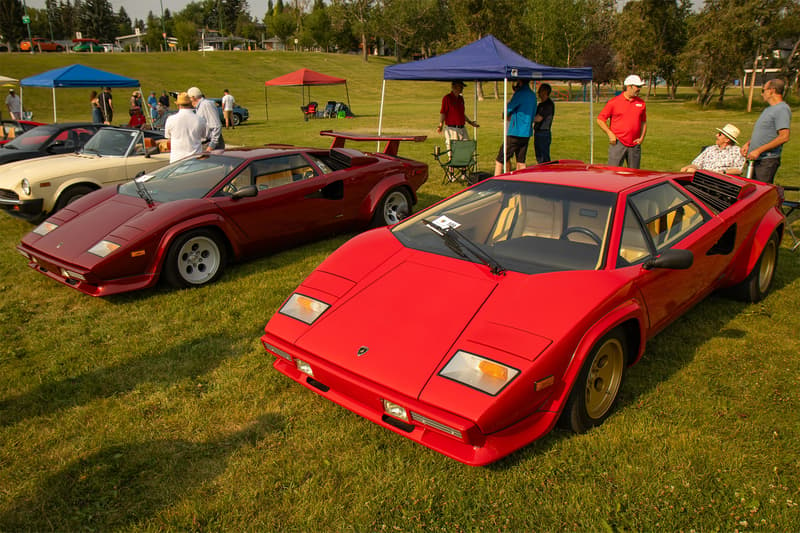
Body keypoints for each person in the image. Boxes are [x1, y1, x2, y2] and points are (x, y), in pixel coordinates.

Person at [740, 78, 792, 183]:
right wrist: (749, 144)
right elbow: (764, 132)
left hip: (767, 160)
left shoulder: (781, 109)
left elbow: (784, 136)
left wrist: (759, 150)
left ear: (771, 90)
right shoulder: (768, 109)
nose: (762, 94)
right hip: (755, 159)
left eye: (763, 90)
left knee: (760, 193)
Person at [596, 74, 647, 169]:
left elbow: (643, 122)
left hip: (635, 144)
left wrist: (641, 137)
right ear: (629, 86)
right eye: (637, 86)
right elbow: (600, 119)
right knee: (613, 172)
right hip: (618, 143)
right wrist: (610, 134)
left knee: (635, 175)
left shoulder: (641, 103)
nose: (639, 89)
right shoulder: (614, 102)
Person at [494, 79, 537, 176]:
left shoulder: (520, 94)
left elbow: (509, 108)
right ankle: (522, 182)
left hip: (515, 132)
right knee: (521, 161)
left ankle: (495, 180)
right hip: (526, 132)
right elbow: (534, 112)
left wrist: (505, 114)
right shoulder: (533, 95)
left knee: (500, 159)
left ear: (520, 82)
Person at [680, 123, 745, 175]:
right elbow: (697, 164)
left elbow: (738, 170)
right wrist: (687, 167)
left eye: (720, 134)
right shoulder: (710, 149)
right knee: (690, 170)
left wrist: (723, 172)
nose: (716, 135)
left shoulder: (737, 151)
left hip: (720, 179)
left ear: (727, 140)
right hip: (703, 176)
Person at [164, 92, 207, 163]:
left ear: (178, 105)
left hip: (176, 160)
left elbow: (168, 137)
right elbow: (204, 136)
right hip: (195, 160)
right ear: (191, 103)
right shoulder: (200, 119)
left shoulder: (170, 119)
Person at [436, 81, 479, 150]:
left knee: (466, 149)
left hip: (462, 128)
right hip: (452, 129)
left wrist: (470, 122)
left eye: (462, 87)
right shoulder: (447, 98)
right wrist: (441, 125)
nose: (462, 89)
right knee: (453, 151)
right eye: (460, 87)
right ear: (454, 87)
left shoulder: (461, 98)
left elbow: (462, 114)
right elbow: (443, 112)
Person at [187, 86, 224, 150]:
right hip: (204, 143)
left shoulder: (206, 105)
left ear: (193, 98)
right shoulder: (199, 107)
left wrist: (211, 146)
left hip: (210, 144)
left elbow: (216, 126)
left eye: (188, 98)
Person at [533, 83, 555, 163]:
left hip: (544, 133)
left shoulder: (548, 105)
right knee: (539, 156)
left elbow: (539, 118)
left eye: (540, 90)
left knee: (544, 157)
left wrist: (527, 119)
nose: (538, 92)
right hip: (538, 132)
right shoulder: (540, 105)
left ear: (545, 92)